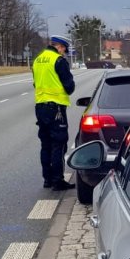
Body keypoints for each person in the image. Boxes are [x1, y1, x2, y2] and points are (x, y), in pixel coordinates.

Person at [32, 34, 76, 190]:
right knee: (59, 143)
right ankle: (58, 181)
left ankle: (47, 179)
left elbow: (35, 83)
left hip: (40, 107)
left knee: (46, 144)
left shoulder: (37, 60)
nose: (64, 53)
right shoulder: (58, 60)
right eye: (64, 50)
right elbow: (69, 87)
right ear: (60, 47)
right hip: (56, 108)